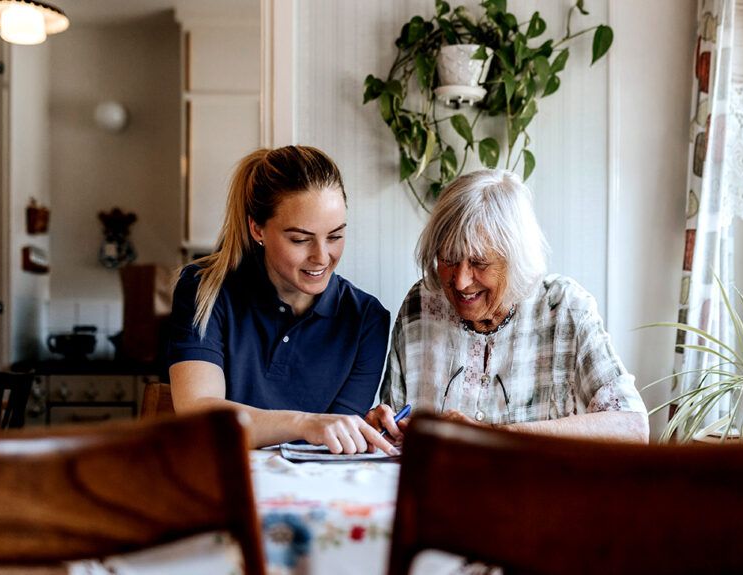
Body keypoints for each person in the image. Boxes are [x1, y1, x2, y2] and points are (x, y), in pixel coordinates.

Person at [367, 169, 649, 443]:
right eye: (449, 259)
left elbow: (632, 427)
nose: (461, 281)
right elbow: (396, 433)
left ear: (515, 260)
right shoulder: (422, 304)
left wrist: (496, 436)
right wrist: (384, 426)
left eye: (479, 262)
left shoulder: (563, 309)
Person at [167, 146, 397, 455]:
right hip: (218, 486)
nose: (321, 257)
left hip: (310, 492)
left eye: (335, 236)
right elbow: (199, 417)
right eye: (300, 239)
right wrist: (304, 423)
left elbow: (334, 447)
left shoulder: (367, 319)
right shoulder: (204, 289)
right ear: (257, 228)